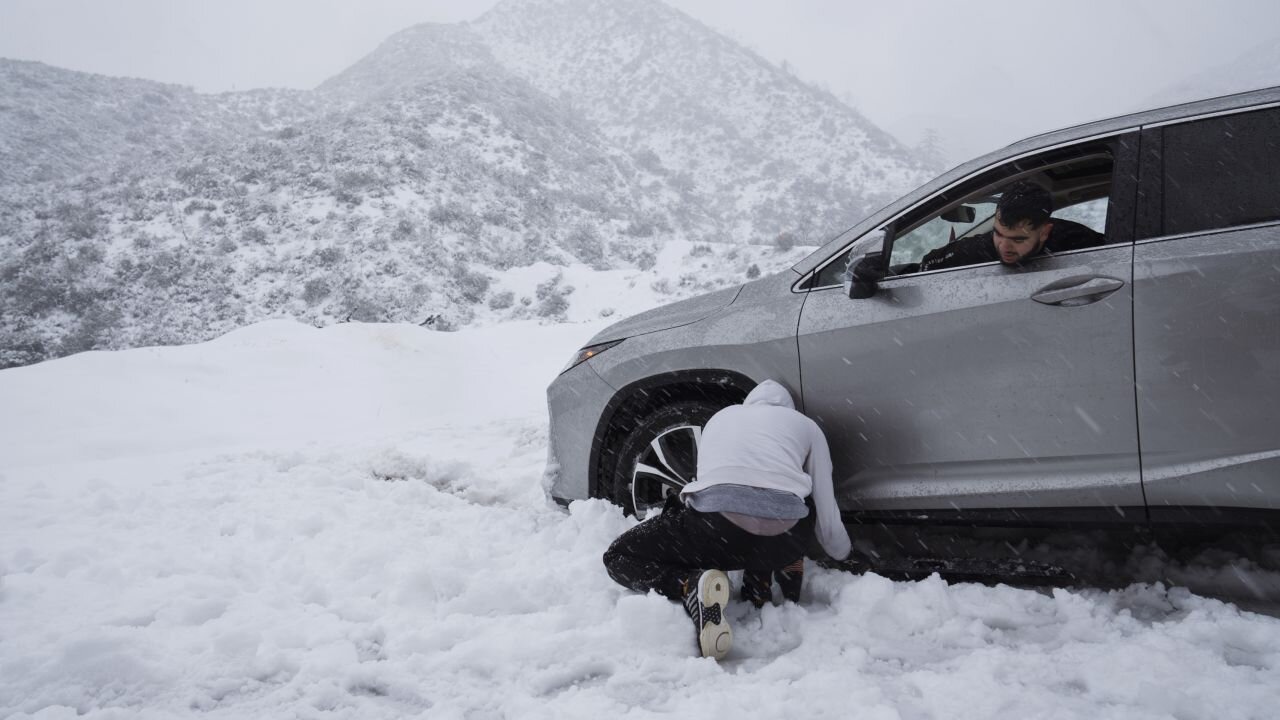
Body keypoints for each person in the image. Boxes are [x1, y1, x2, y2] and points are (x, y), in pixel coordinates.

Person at [602, 379, 852, 660]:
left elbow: (710, 486)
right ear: (789, 408)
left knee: (618, 556)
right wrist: (842, 555)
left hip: (717, 534)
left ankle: (688, 583)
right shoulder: (806, 425)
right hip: (785, 538)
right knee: (793, 499)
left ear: (748, 404)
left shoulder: (720, 418)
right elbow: (825, 504)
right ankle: (765, 573)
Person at [917, 180, 1104, 272]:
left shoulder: (1079, 241)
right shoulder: (980, 248)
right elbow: (927, 264)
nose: (1004, 246)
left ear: (1044, 232)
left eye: (1018, 239)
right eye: (998, 233)